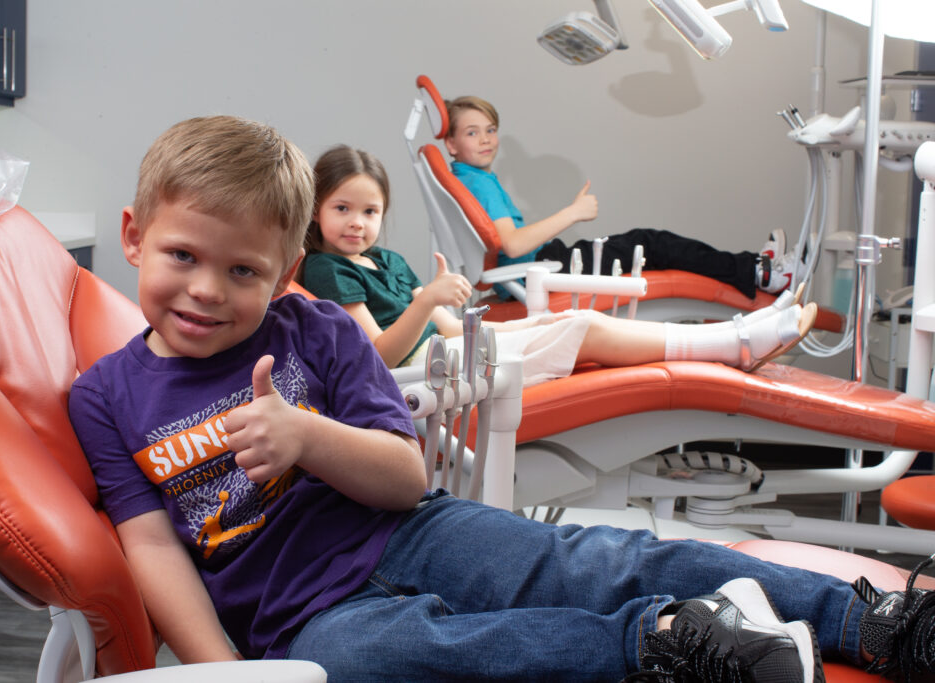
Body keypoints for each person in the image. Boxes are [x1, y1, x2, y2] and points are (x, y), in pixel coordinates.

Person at [68, 115, 935, 682]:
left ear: (286, 271)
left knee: (594, 563)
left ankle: (883, 622)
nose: (207, 290)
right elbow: (151, 547)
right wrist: (221, 669)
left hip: (410, 528)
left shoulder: (319, 331)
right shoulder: (103, 398)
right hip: (304, 616)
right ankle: (671, 645)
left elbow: (404, 476)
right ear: (135, 237)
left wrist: (304, 433)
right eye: (182, 256)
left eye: (243, 270)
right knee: (378, 660)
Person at [300, 144, 813, 384]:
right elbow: (380, 356)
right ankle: (736, 344)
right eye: (341, 209)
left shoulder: (383, 260)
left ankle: (744, 330)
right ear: (316, 209)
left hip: (448, 353)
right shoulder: (327, 270)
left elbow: (444, 327)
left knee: (567, 320)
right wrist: (429, 300)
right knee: (585, 326)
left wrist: (464, 320)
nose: (357, 223)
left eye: (370, 212)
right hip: (423, 376)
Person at [442, 94, 799, 300]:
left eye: (490, 130)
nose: (486, 139)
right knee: (651, 244)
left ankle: (751, 268)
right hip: (541, 270)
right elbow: (514, 244)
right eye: (473, 132)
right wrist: (574, 212)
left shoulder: (465, 177)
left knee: (649, 247)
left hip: (543, 265)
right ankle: (757, 272)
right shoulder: (480, 185)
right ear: (452, 143)